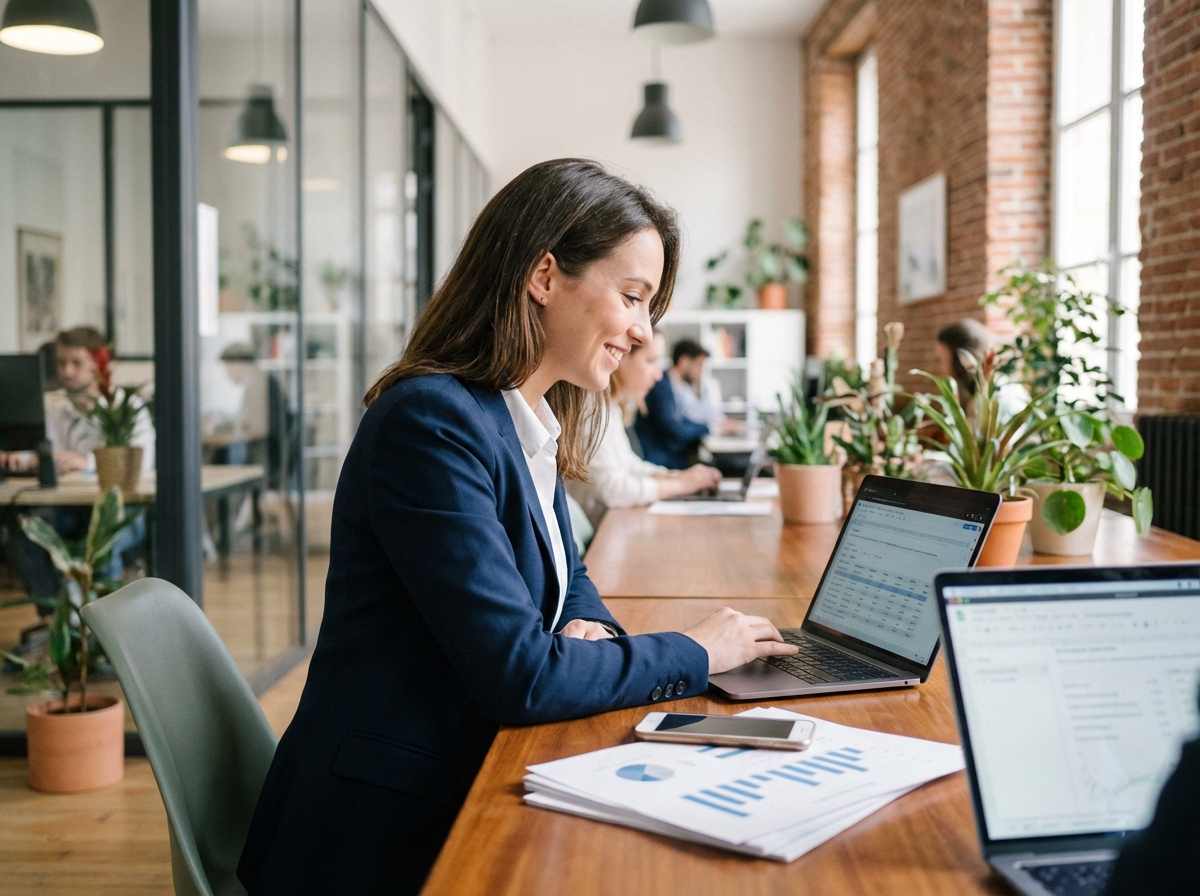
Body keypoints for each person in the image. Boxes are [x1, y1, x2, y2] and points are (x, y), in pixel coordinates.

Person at [236, 159, 798, 895]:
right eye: (631, 297)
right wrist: (695, 648)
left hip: (459, 769)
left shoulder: (521, 420)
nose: (641, 330)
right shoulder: (430, 423)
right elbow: (521, 677)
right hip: (384, 829)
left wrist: (583, 629)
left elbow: (573, 581)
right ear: (543, 275)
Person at [0, 327, 153, 608]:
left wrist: (90, 461)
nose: (66, 372)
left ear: (99, 365)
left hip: (118, 509)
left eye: (76, 363)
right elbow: (45, 452)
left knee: (99, 544)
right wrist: (19, 459)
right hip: (66, 506)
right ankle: (56, 620)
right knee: (28, 539)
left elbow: (143, 462)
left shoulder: (127, 408)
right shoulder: (51, 407)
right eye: (61, 363)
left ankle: (108, 625)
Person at [567, 333, 722, 527]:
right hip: (603, 536)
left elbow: (628, 465)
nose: (658, 375)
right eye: (650, 361)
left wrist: (676, 477)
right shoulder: (594, 408)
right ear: (621, 356)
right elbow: (613, 490)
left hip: (614, 526)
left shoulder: (611, 406)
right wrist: (680, 484)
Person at [635, 339, 738, 469]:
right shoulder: (661, 385)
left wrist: (712, 425)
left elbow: (683, 420)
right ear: (684, 362)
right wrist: (712, 428)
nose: (701, 372)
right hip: (661, 459)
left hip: (670, 454)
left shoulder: (676, 385)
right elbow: (676, 428)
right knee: (721, 467)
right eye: (699, 365)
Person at [935, 318, 1028, 420]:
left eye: (940, 360)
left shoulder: (998, 398)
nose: (938, 368)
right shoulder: (977, 393)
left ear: (963, 360)